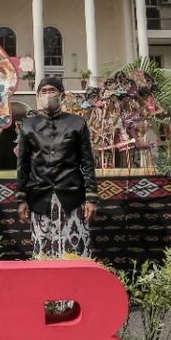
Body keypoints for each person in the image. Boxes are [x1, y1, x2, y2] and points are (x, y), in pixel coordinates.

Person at [16, 77, 99, 258]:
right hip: (39, 196)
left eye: (52, 90)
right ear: (38, 96)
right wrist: (21, 199)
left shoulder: (77, 123)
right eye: (43, 91)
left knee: (75, 252)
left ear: (61, 94)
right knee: (43, 251)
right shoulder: (28, 126)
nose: (48, 95)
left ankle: (76, 286)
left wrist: (91, 198)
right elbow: (23, 165)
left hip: (72, 196)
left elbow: (87, 162)